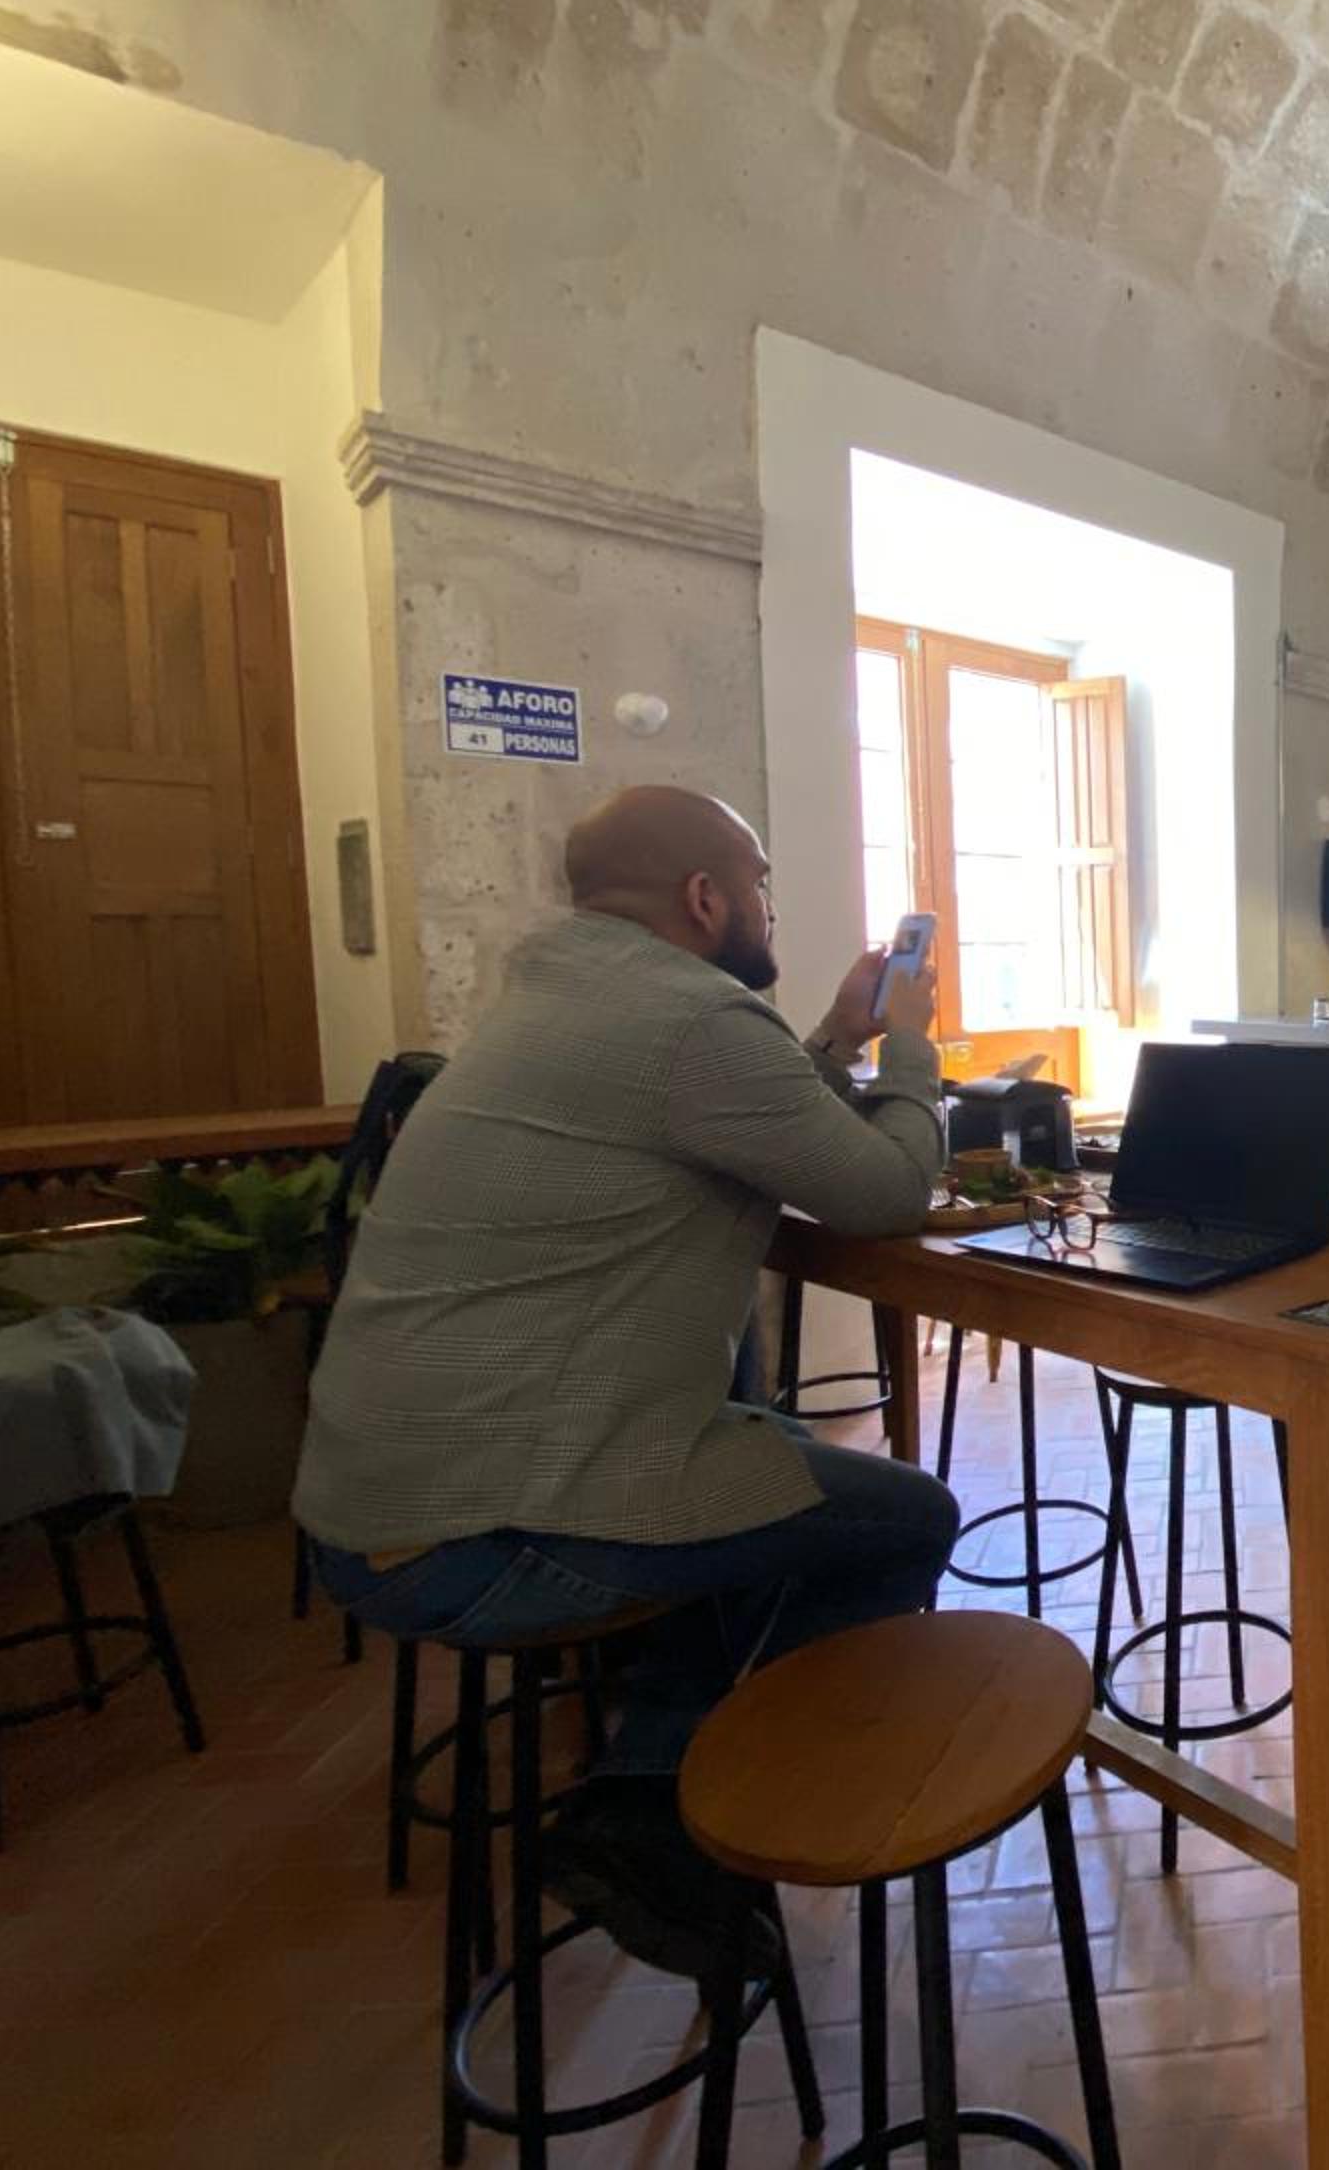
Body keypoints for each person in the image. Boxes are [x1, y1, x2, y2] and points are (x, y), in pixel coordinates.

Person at [295, 785, 958, 1975]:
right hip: (476, 1539)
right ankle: (672, 1818)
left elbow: (748, 1114)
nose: (768, 906)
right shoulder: (695, 1021)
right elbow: (885, 1192)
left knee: (764, 1459)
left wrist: (834, 1041)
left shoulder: (569, 992)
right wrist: (911, 1041)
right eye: (759, 883)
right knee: (904, 1517)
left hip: (377, 1507)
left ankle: (659, 1773)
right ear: (706, 899)